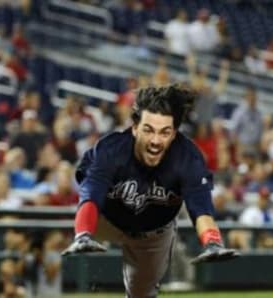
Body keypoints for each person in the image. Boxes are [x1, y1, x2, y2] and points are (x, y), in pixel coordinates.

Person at [62, 84, 239, 297]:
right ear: (135, 127)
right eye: (148, 130)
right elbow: (91, 195)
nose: (156, 141)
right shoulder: (111, 150)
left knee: (141, 294)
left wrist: (212, 242)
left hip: (152, 233)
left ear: (174, 133)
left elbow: (201, 208)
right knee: (66, 234)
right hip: (106, 220)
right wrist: (83, 235)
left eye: (165, 132)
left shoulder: (187, 157)